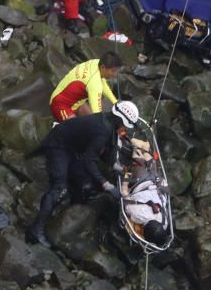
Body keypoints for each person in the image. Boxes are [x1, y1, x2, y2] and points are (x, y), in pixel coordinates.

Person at [26, 100, 139, 246]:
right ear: (120, 120)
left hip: (72, 148)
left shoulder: (109, 124)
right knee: (59, 188)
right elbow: (89, 161)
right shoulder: (102, 130)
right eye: (126, 125)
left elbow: (107, 152)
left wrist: (119, 168)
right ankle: (35, 230)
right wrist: (107, 185)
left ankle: (68, 214)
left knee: (81, 181)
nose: (125, 129)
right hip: (58, 144)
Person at [50, 52, 122, 122]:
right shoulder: (94, 83)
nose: (115, 74)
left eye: (116, 71)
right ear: (103, 67)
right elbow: (97, 112)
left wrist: (115, 102)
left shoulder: (96, 62)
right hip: (60, 104)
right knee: (78, 131)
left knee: (91, 122)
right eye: (113, 71)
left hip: (76, 102)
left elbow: (103, 84)